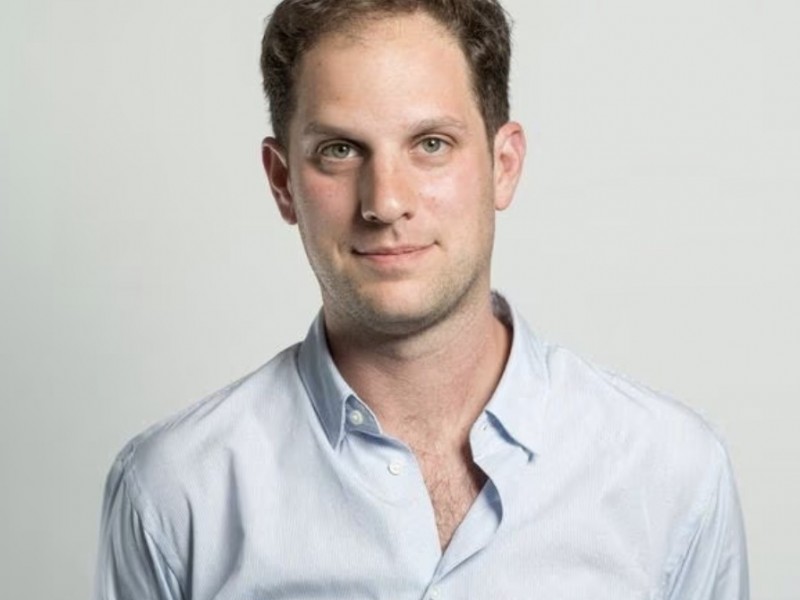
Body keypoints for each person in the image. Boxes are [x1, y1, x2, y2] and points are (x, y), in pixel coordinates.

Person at [93, 0, 749, 598]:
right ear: (282, 181)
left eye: (431, 144)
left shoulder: (671, 473)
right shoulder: (175, 495)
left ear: (504, 165)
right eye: (340, 150)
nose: (385, 202)